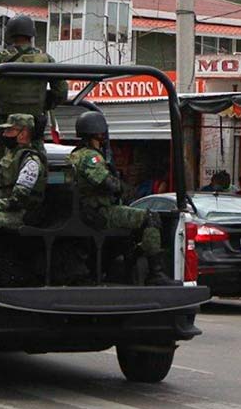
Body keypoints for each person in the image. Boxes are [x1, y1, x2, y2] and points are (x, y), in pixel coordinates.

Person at [70, 111, 174, 286]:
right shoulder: (90, 156)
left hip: (87, 211)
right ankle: (156, 274)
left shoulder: (75, 154)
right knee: (150, 218)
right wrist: (123, 187)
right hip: (100, 212)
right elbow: (105, 182)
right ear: (98, 132)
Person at [0, 15, 68, 162]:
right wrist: (44, 104)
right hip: (32, 128)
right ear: (32, 34)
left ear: (9, 34)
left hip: (3, 127)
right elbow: (61, 92)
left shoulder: (0, 58)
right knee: (36, 165)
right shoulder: (46, 60)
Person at [0, 114, 48, 252]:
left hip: (22, 214)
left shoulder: (30, 162)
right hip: (7, 208)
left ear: (23, 133)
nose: (5, 134)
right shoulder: (10, 155)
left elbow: (19, 198)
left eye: (10, 131)